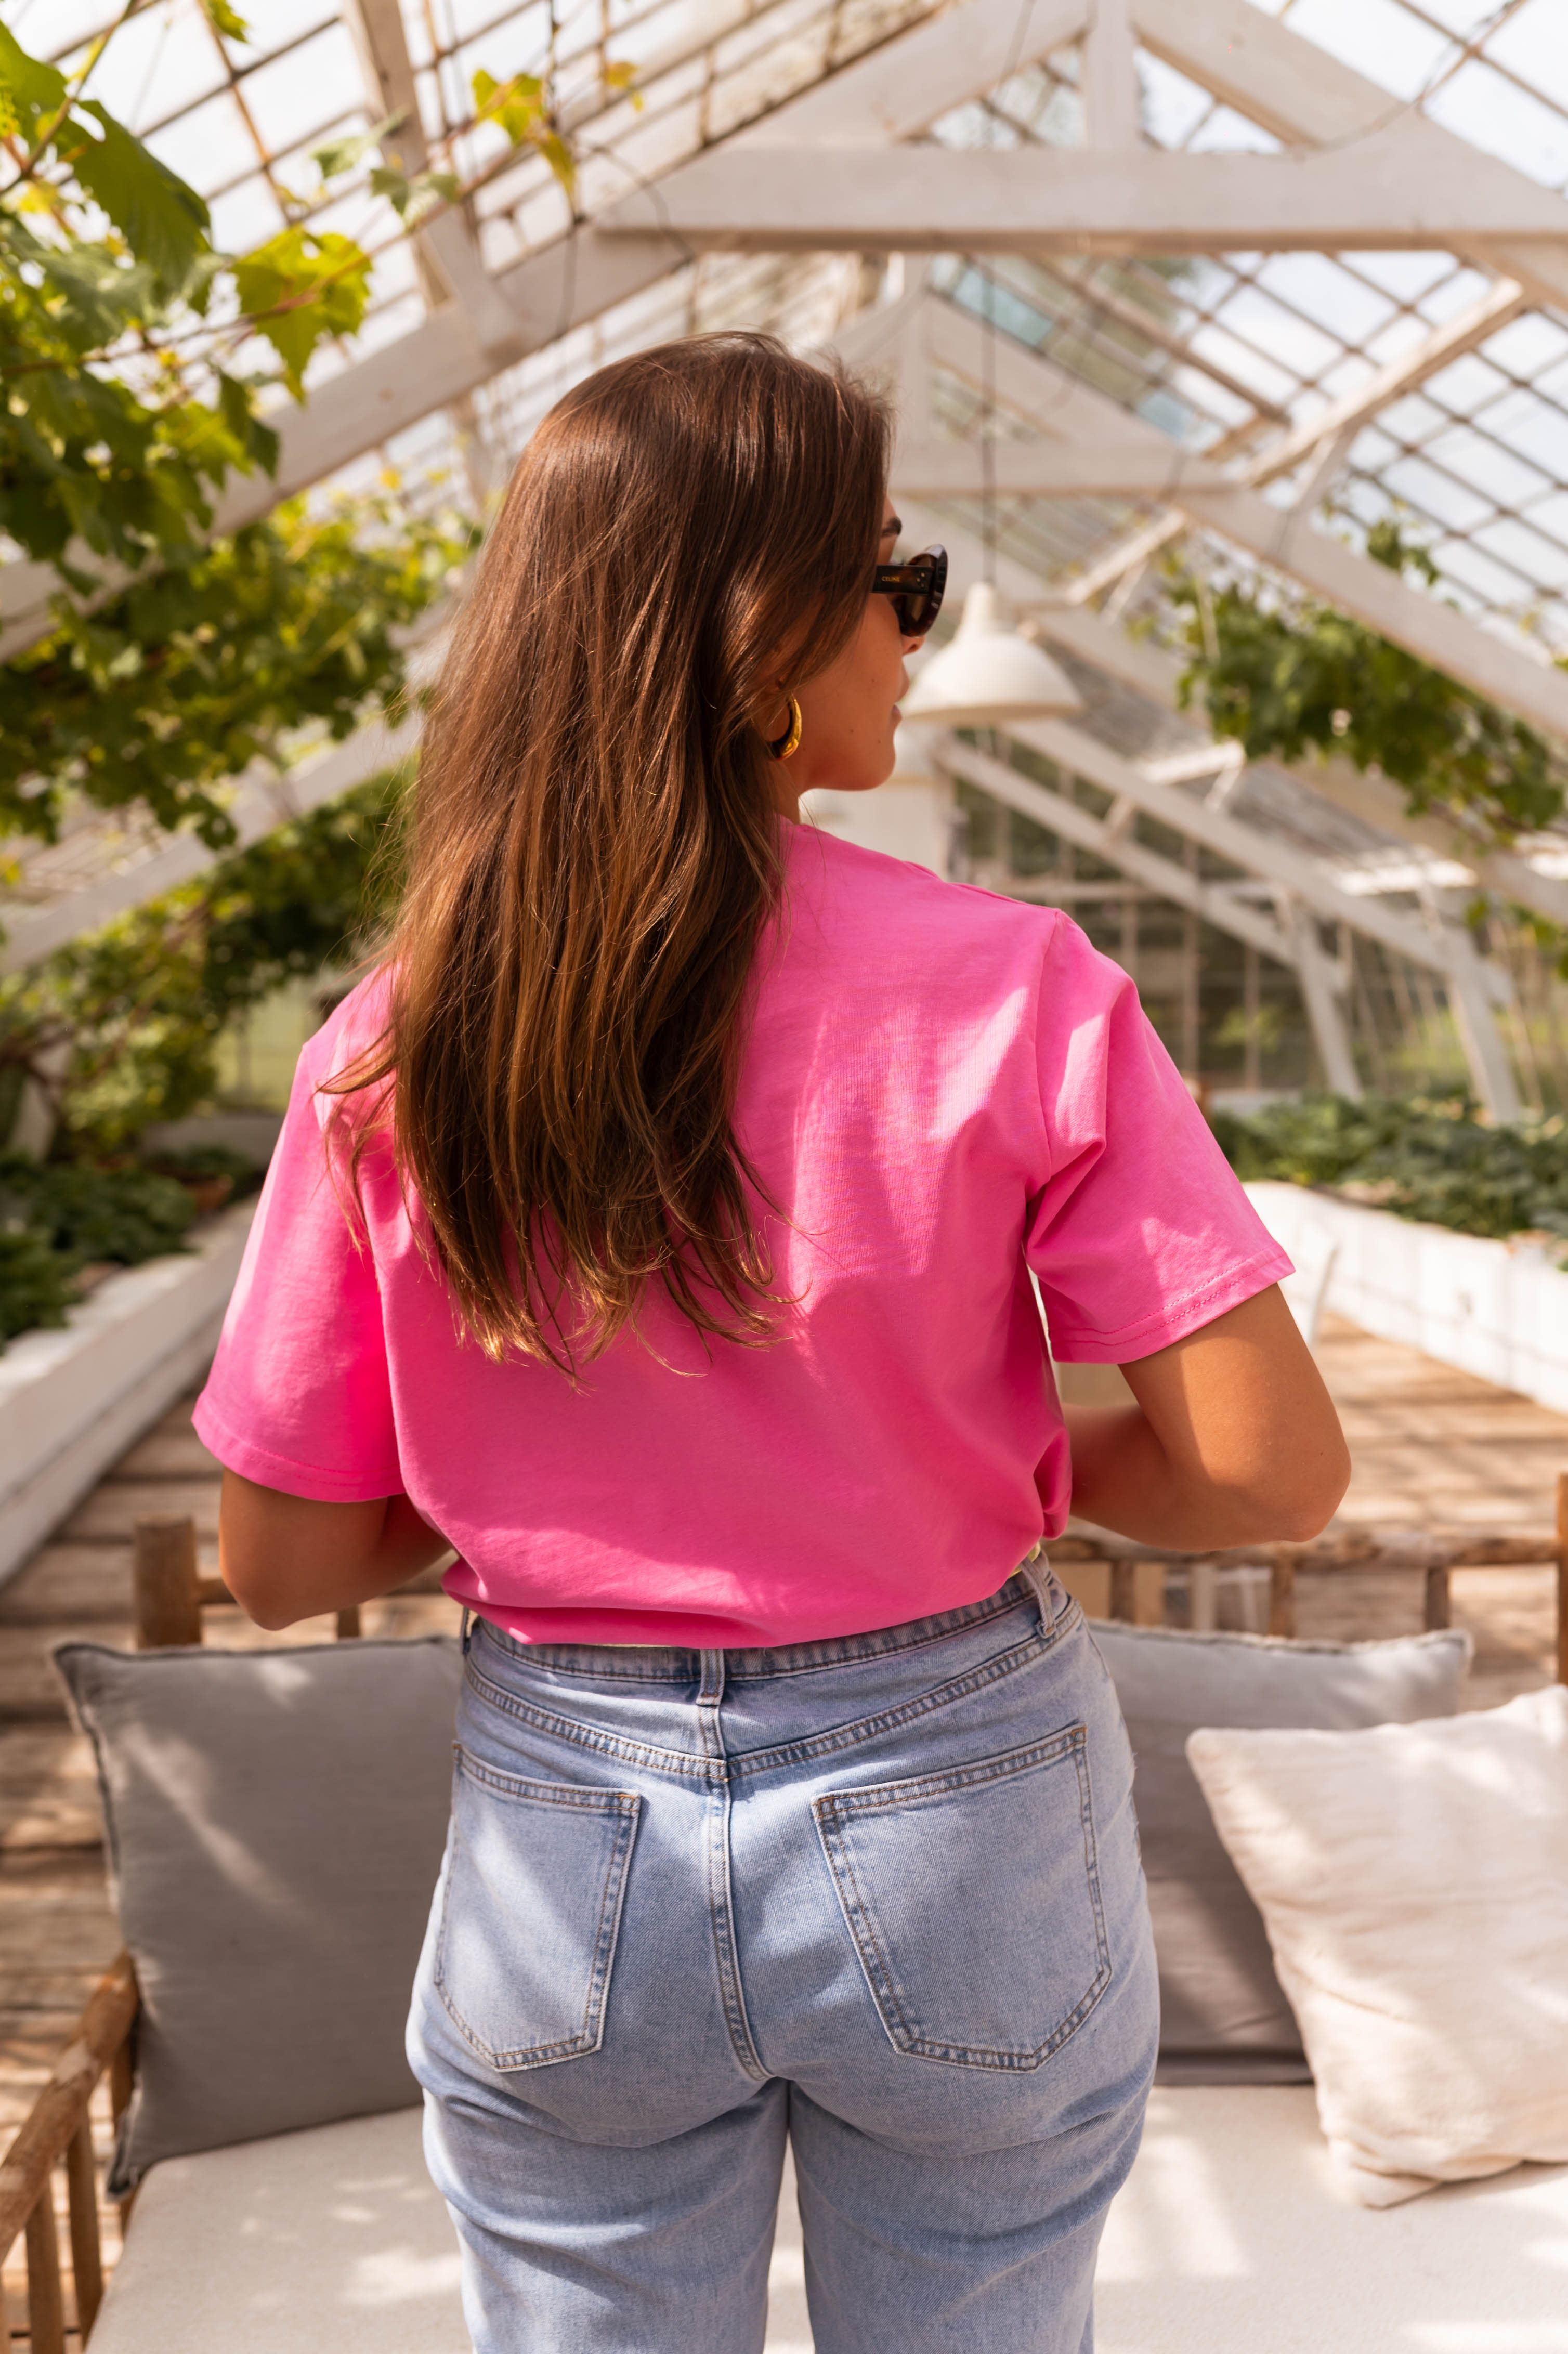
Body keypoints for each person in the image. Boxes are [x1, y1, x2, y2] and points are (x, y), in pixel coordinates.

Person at [201, 332, 1350, 2354]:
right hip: (959, 1809)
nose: (919, 632)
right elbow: (1270, 1471)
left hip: (571, 1841)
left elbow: (281, 1558)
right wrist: (1003, 1476)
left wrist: (508, 1501)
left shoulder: (391, 1043)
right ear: (758, 638)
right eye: (893, 583)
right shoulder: (1018, 993)